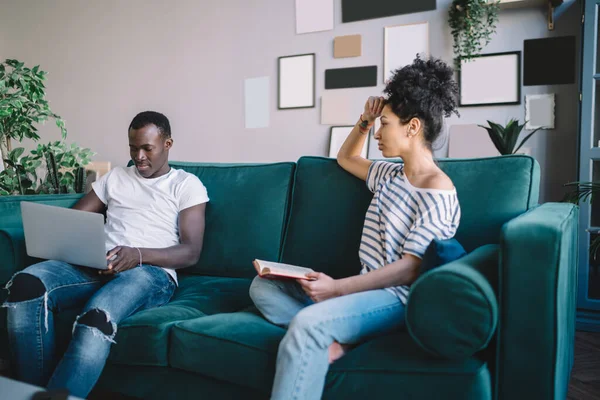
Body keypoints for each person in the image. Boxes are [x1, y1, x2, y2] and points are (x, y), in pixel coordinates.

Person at [249, 55, 462, 400]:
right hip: (362, 291)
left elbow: (410, 269)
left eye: (386, 123)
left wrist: (337, 289)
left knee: (307, 324)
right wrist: (365, 120)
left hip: (395, 299)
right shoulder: (390, 175)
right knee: (263, 287)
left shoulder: (437, 191)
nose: (379, 132)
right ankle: (342, 339)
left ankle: (329, 333)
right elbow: (346, 158)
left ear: (413, 127)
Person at [2, 111, 209, 398]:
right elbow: (73, 222)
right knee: (26, 285)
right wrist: (81, 246)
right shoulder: (115, 177)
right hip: (98, 263)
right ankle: (31, 394)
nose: (138, 156)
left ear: (168, 144)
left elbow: (190, 253)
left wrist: (136, 255)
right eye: (133, 148)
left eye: (147, 148)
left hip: (149, 271)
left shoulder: (186, 185)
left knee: (96, 317)